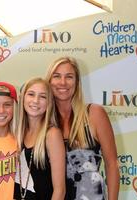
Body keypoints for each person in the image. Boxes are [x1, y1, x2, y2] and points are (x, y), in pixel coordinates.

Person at [45, 57, 120, 200]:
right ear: (49, 81)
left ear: (77, 82)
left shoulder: (94, 114)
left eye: (69, 77)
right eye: (56, 76)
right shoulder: (43, 123)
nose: (63, 82)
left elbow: (112, 165)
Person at [13, 77, 66, 200]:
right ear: (22, 98)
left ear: (49, 103)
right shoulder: (16, 132)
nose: (35, 101)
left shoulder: (52, 135)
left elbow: (60, 190)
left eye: (42, 97)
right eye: (31, 94)